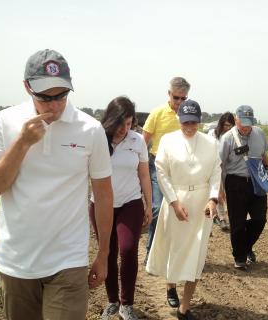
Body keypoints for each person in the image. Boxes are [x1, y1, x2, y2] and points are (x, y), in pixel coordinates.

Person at [0, 49, 113, 320]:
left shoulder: (90, 129)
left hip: (68, 259)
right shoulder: (6, 122)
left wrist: (104, 253)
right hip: (17, 261)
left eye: (61, 95)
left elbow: (104, 195)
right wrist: (23, 143)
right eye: (45, 96)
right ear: (27, 87)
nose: (54, 105)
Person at [146, 100, 221, 320]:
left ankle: (184, 308)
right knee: (174, 249)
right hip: (176, 201)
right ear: (179, 120)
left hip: (201, 205)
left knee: (197, 255)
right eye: (185, 122)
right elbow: (161, 173)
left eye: (194, 122)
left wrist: (213, 199)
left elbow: (216, 172)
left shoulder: (210, 143)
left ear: (200, 121)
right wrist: (173, 202)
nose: (189, 126)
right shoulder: (168, 141)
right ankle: (170, 285)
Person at [89, 96, 152, 320]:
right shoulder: (97, 139)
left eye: (129, 124)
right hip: (101, 205)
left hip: (130, 203)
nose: (125, 129)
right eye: (121, 124)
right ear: (111, 120)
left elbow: (144, 174)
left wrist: (148, 203)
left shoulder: (137, 141)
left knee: (127, 250)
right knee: (108, 251)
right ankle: (112, 301)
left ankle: (127, 304)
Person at [142, 77, 190, 265]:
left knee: (180, 211)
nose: (179, 102)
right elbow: (143, 142)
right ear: (168, 94)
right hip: (157, 166)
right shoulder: (157, 113)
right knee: (156, 209)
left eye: (183, 98)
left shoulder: (188, 115)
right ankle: (151, 253)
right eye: (176, 97)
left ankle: (176, 254)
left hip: (181, 168)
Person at [218, 105, 268, 270]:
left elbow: (264, 155)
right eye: (243, 123)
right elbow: (219, 165)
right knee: (238, 222)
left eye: (250, 123)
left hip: (257, 181)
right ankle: (239, 257)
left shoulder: (259, 133)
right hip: (236, 183)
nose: (247, 127)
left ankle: (246, 246)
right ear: (236, 119)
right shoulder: (227, 138)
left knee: (260, 219)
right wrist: (220, 189)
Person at [208, 112, 235, 231]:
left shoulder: (233, 136)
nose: (228, 128)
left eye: (230, 125)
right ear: (221, 124)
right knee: (218, 192)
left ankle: (227, 216)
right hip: (215, 166)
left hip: (228, 167)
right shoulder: (213, 134)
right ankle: (222, 218)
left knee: (229, 193)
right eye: (226, 125)